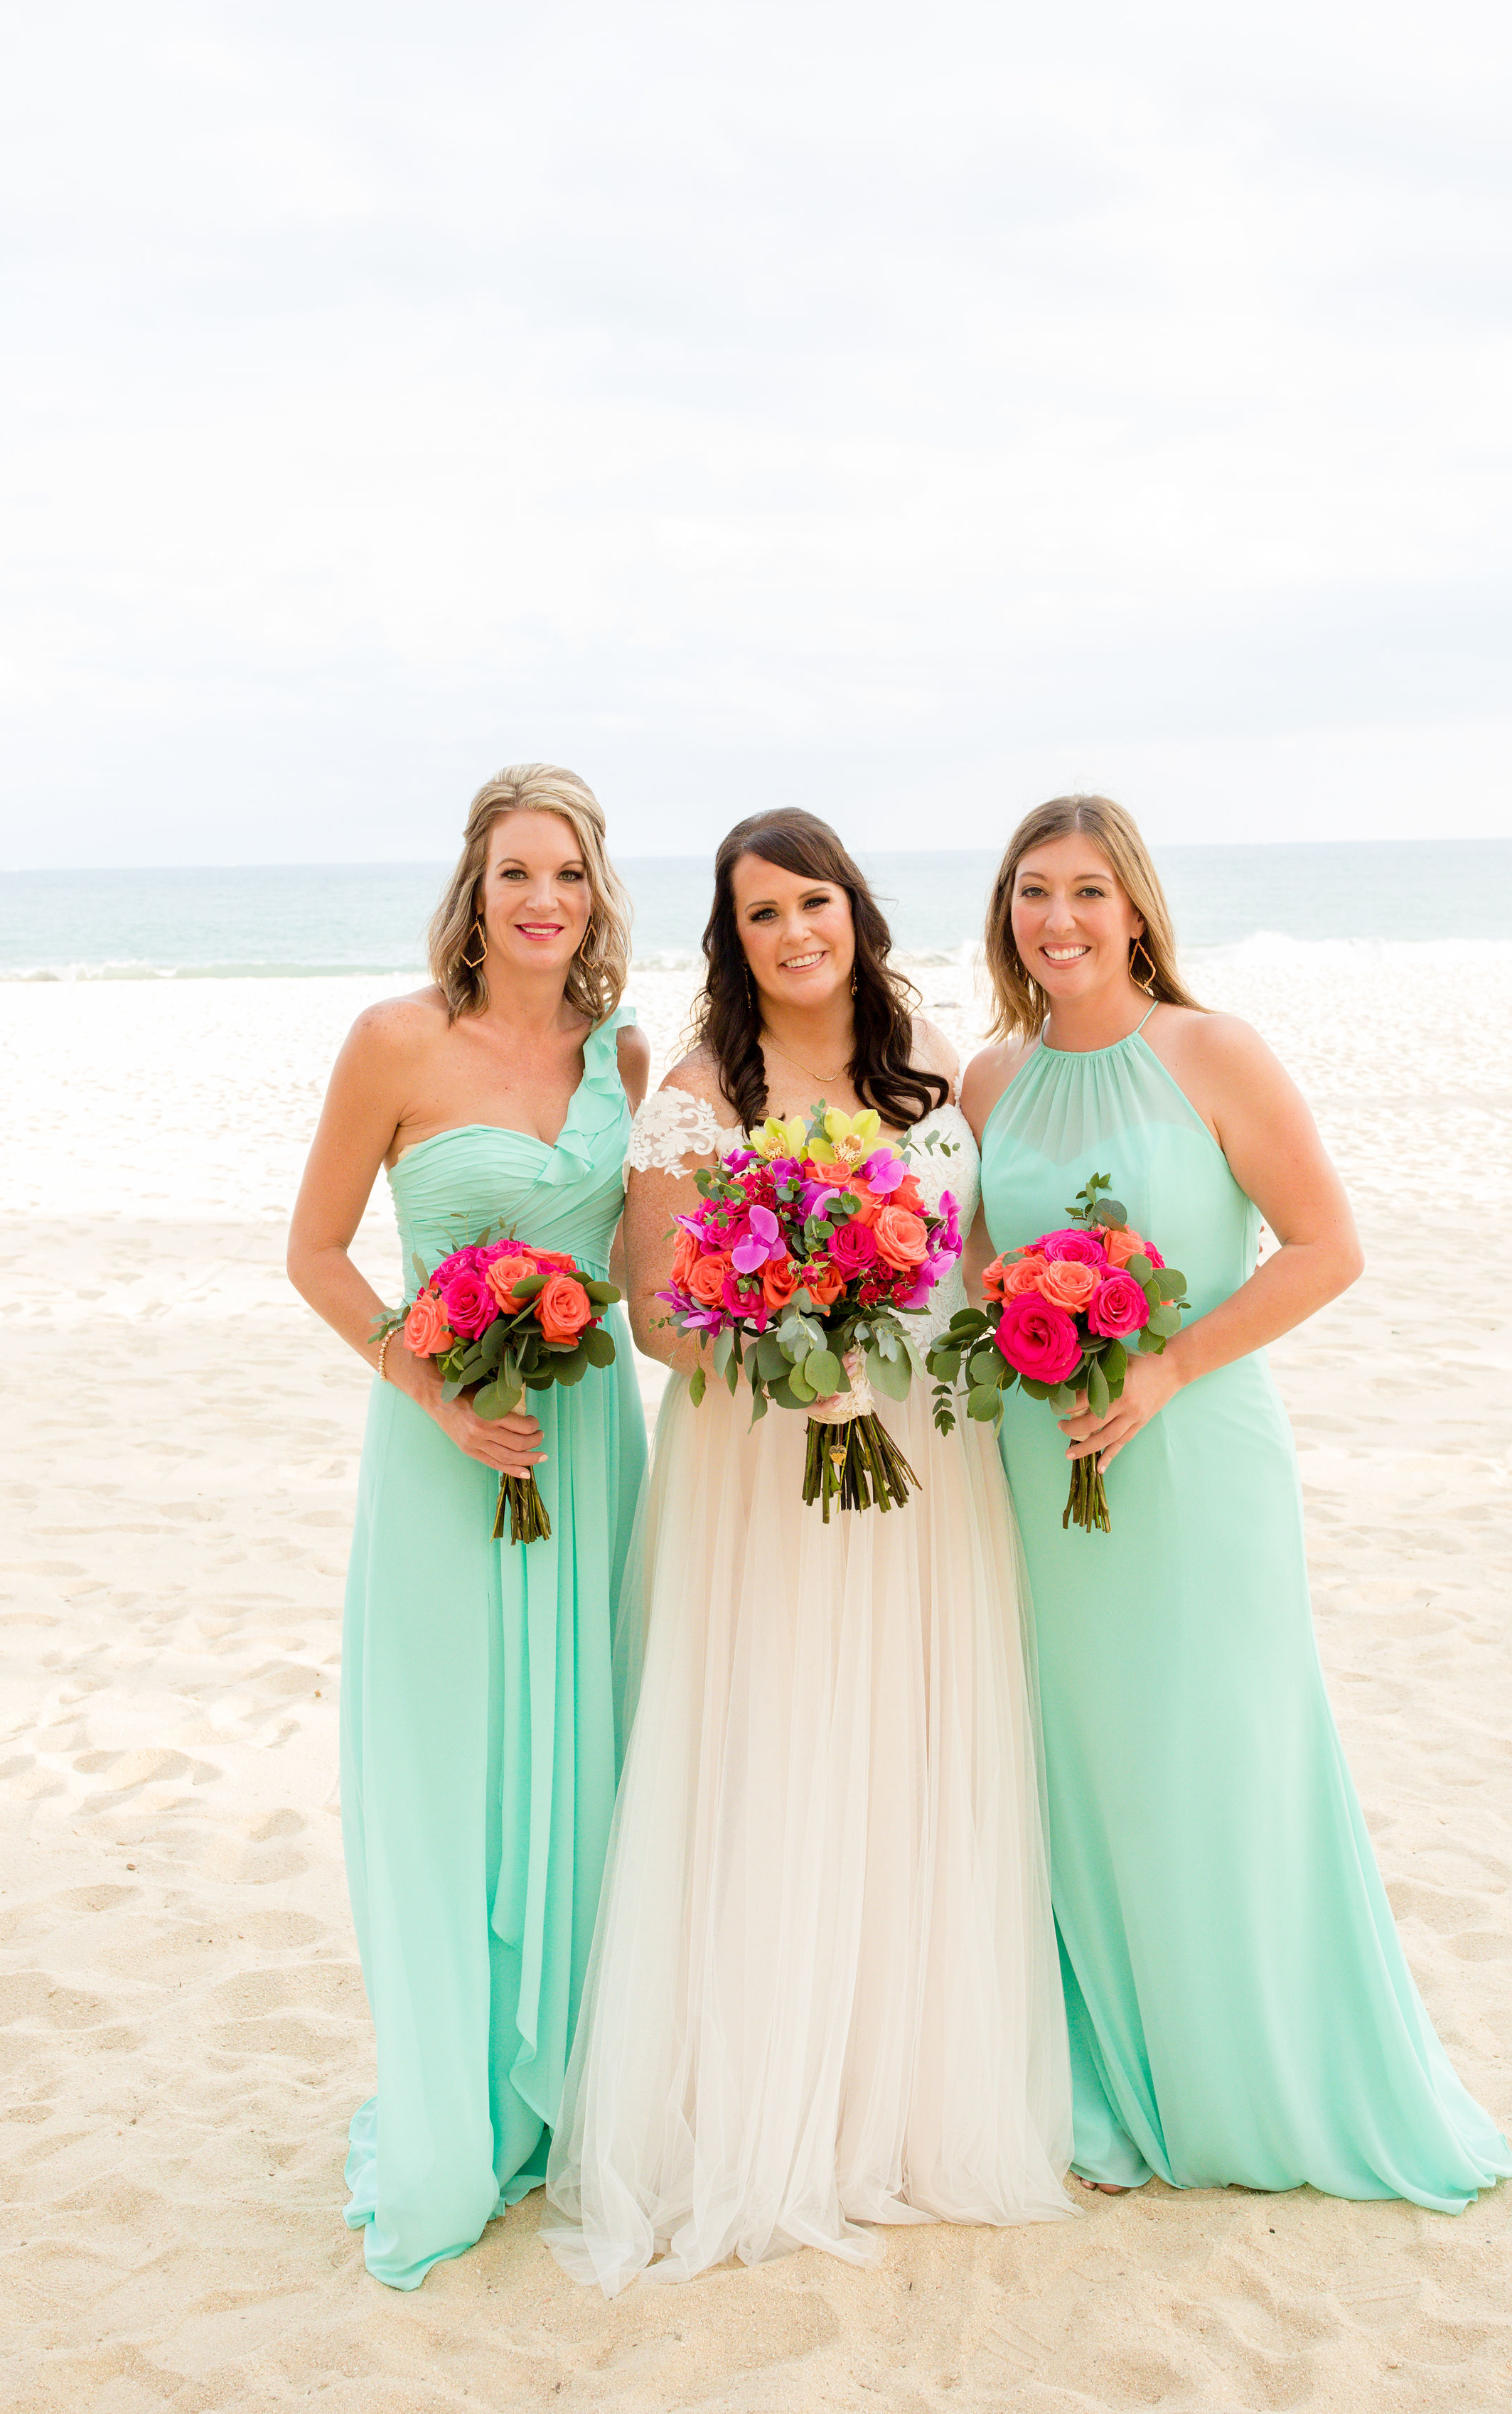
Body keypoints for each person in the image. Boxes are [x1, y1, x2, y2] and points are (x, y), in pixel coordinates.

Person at [961, 793, 1512, 2211]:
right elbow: (976, 1271)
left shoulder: (1211, 1052)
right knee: (1085, 1771)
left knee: (1222, 1757)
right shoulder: (989, 1079)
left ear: (1137, 907)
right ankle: (1123, 2071)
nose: (1059, 918)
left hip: (1193, 1453)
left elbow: (1327, 1247)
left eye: (1088, 889)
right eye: (1034, 891)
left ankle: (1256, 2079)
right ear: (1007, 912)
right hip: (1042, 1459)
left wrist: (1165, 1363)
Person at [545, 807, 1074, 2292]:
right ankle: (761, 2107)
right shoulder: (706, 1088)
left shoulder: (931, 1064)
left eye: (814, 901)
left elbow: (970, 1259)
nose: (795, 932)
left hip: (931, 1452)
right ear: (733, 936)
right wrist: (775, 1325)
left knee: (911, 1746)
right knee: (778, 1744)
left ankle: (902, 2105)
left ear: (854, 908)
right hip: (763, 1450)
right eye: (761, 913)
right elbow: (651, 1305)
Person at [286, 763, 649, 2288]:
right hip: (449, 1445)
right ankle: (456, 2108)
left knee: (587, 1763)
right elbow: (314, 1255)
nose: (542, 899)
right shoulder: (395, 1040)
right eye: (516, 872)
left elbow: (639, 1267)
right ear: (474, 887)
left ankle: (569, 2094)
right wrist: (436, 1391)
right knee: (451, 1773)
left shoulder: (625, 1053)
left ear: (596, 889)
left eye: (565, 871)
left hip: (587, 1443)